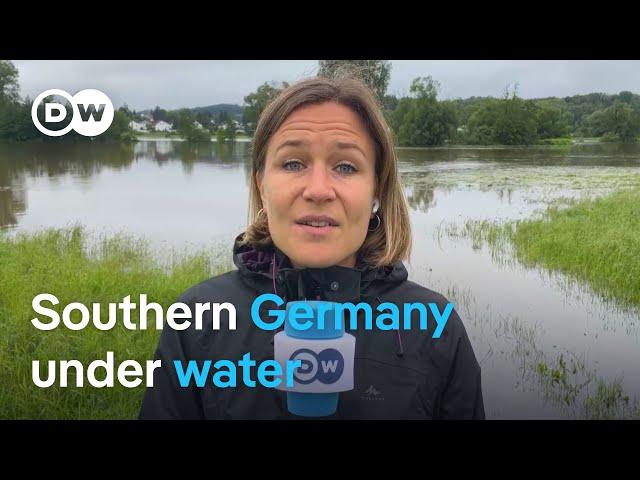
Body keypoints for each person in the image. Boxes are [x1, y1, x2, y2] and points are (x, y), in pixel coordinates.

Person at [139, 76, 485, 419]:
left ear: (376, 189)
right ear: (262, 185)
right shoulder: (198, 319)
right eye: (293, 164)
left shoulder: (436, 327)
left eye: (346, 167)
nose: (318, 190)